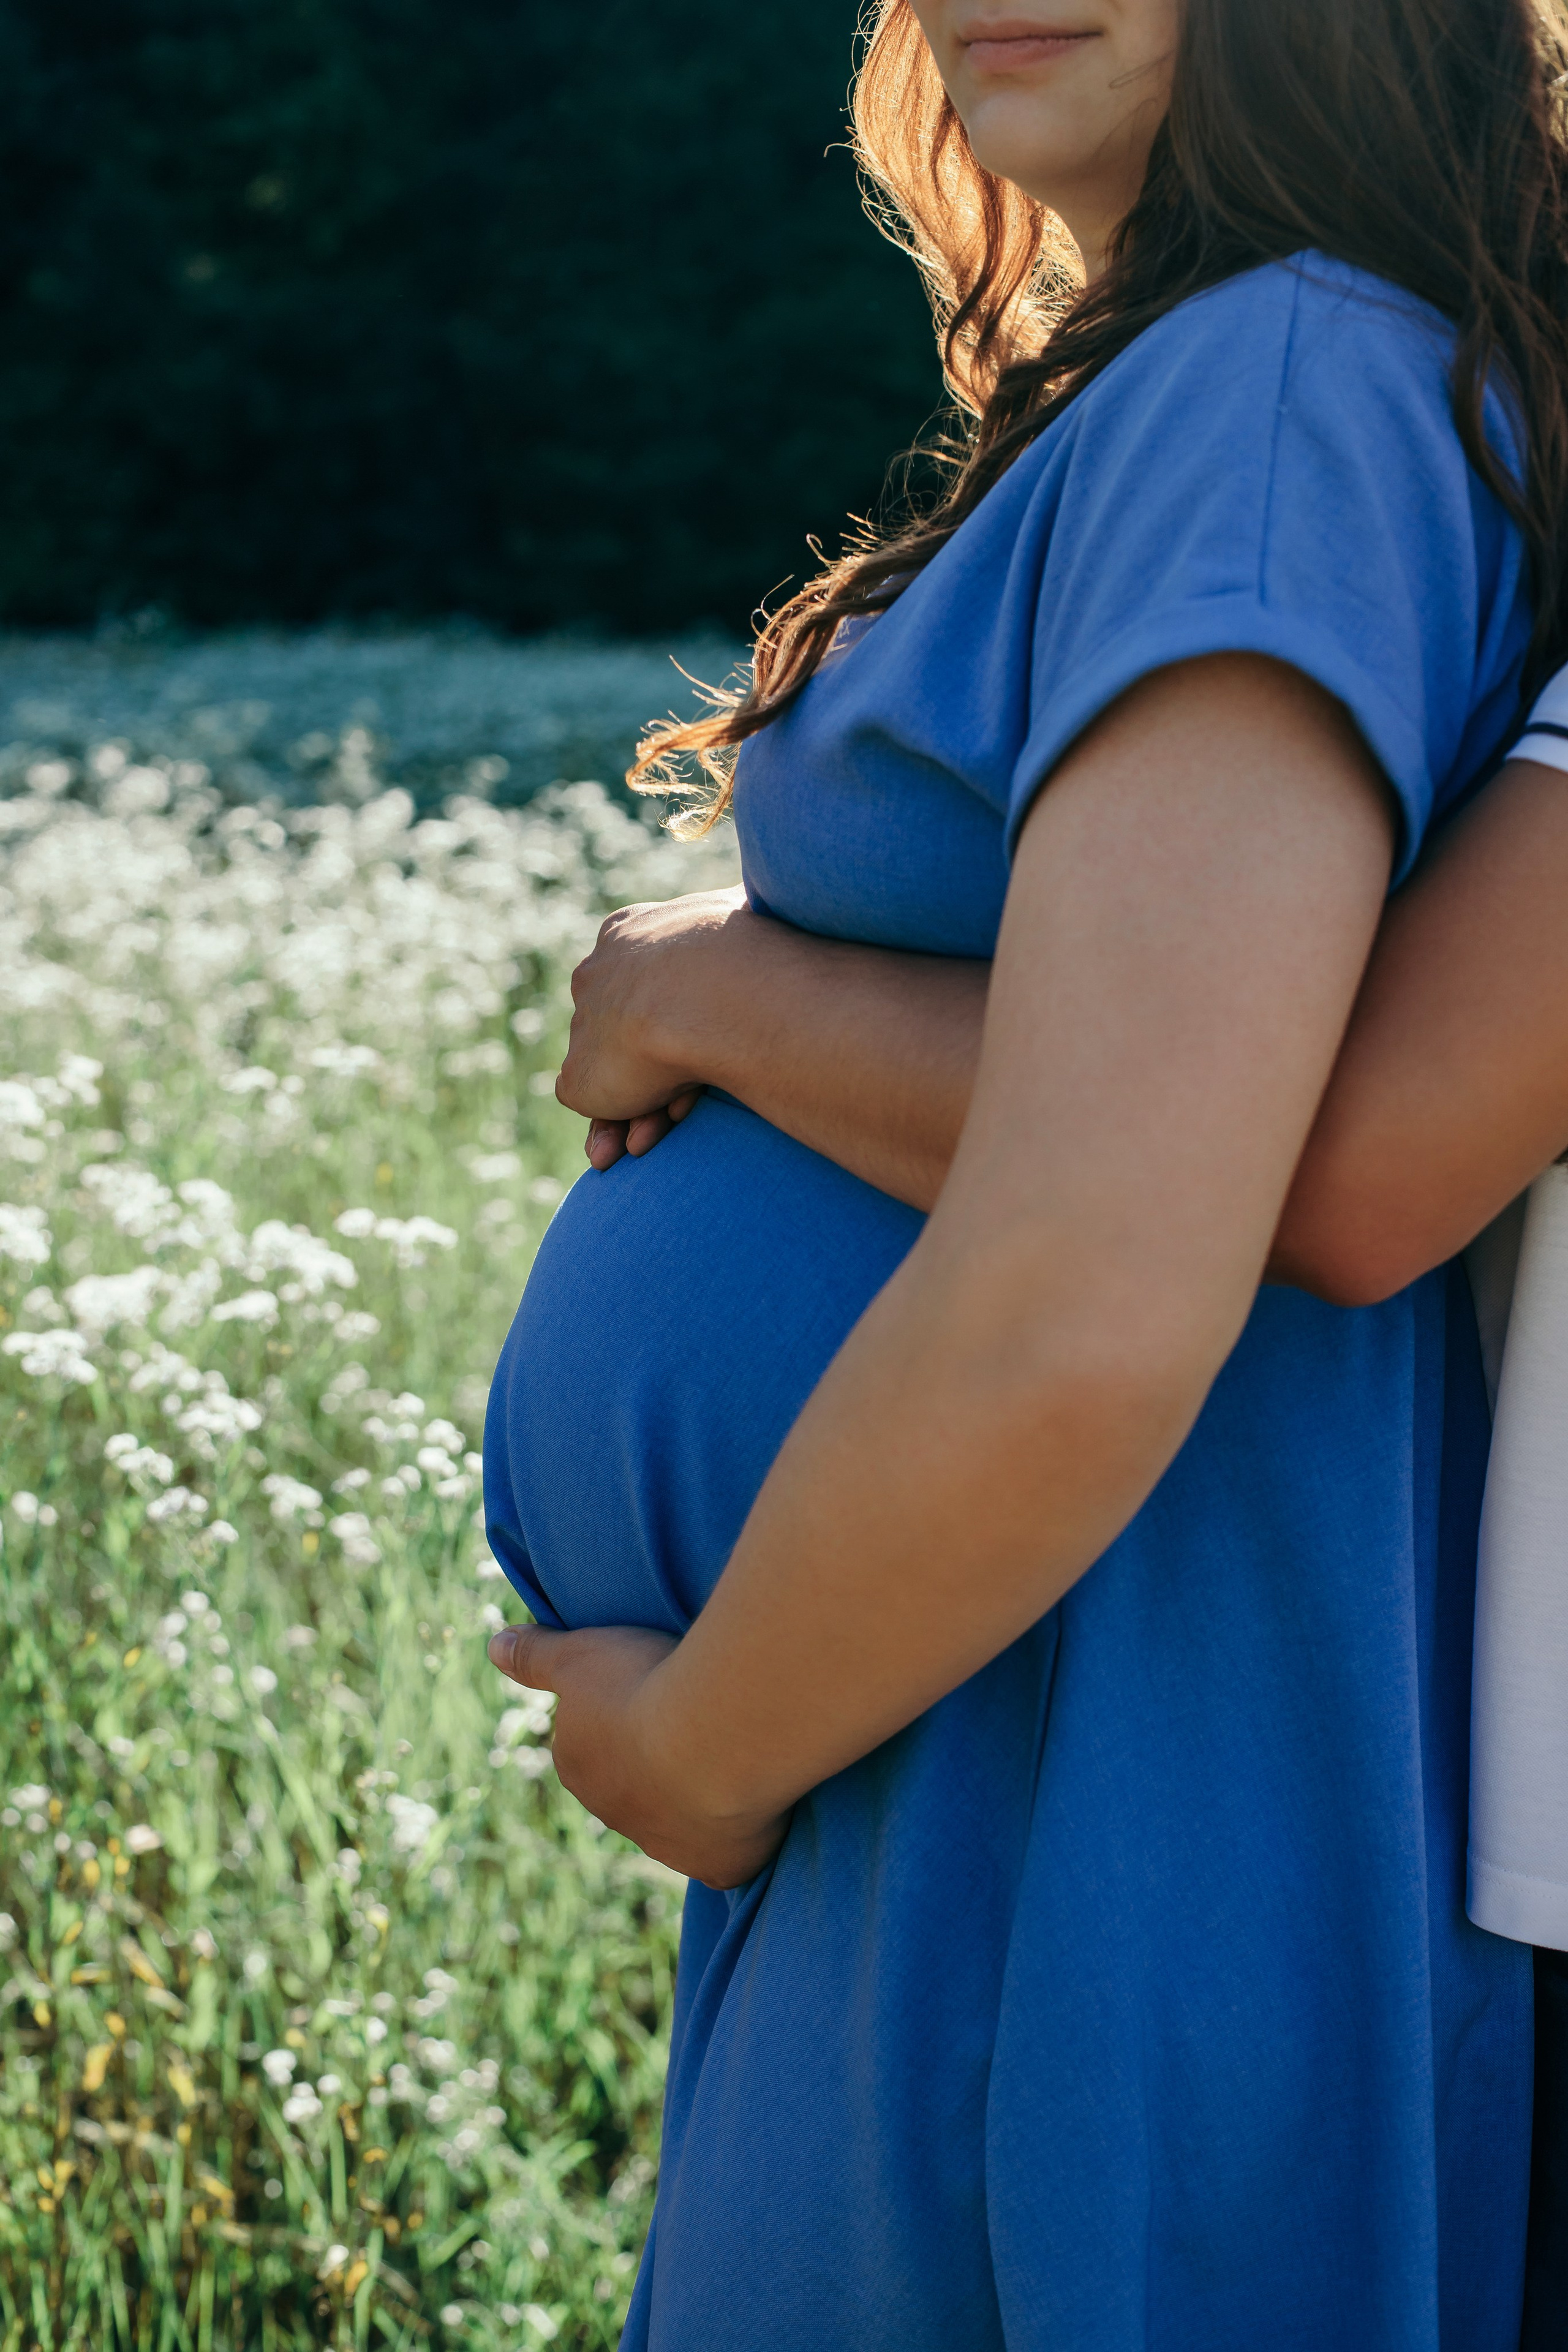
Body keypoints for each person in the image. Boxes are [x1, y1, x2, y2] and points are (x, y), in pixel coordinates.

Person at [483, 2, 1568, 2343]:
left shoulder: (1282, 385)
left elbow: (1116, 1259)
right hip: (973, 1700)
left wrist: (701, 1738)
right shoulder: (1244, 374)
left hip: (1078, 1750)